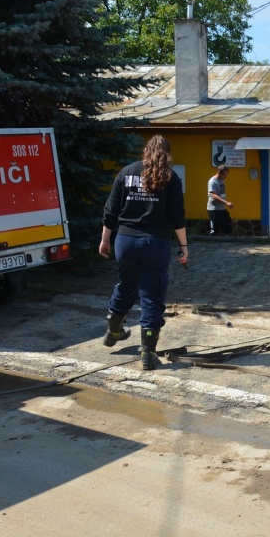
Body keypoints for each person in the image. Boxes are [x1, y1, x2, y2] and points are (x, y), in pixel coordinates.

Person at [99, 135, 188, 370]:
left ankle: (114, 330)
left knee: (126, 284)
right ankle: (148, 354)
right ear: (167, 153)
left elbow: (111, 210)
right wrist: (184, 247)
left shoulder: (127, 171)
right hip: (154, 243)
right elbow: (177, 215)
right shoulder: (170, 177)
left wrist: (105, 240)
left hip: (125, 240)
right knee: (152, 293)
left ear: (146, 150)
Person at [207, 164, 234, 236]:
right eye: (224, 175)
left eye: (226, 175)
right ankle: (210, 243)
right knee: (214, 231)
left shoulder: (221, 180)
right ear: (218, 172)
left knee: (228, 226)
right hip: (214, 209)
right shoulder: (213, 182)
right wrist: (226, 202)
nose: (225, 177)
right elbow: (213, 195)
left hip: (222, 209)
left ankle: (230, 239)